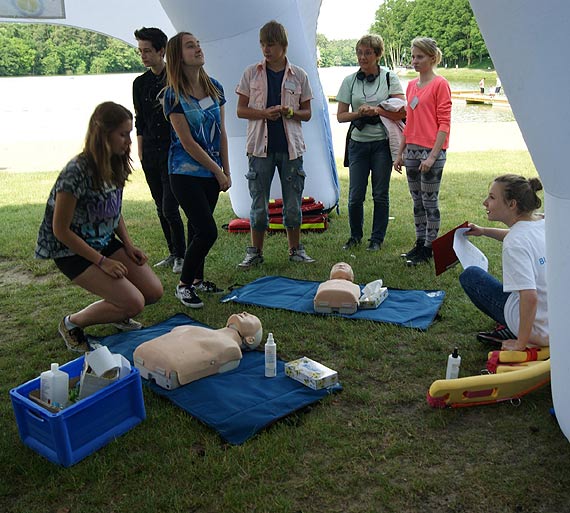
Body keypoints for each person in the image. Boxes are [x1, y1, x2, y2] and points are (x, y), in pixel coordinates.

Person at [35, 102, 164, 352]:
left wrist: (128, 245)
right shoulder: (76, 172)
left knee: (153, 291)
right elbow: (60, 230)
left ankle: (119, 312)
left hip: (103, 241)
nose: (129, 140)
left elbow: (114, 210)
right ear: (103, 134)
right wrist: (102, 262)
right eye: (123, 134)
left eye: (130, 132)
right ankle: (71, 324)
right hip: (70, 250)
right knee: (134, 302)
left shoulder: (116, 161)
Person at [236, 20, 315, 268]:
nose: (265, 49)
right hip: (259, 148)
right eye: (262, 44)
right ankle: (255, 252)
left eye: (270, 44)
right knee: (258, 204)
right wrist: (264, 113)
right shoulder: (251, 73)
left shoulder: (299, 75)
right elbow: (240, 110)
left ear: (283, 45)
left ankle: (296, 250)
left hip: (291, 149)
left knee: (293, 203)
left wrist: (289, 112)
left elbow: (307, 113)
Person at [163, 32, 230, 308]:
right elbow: (187, 143)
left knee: (196, 229)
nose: (198, 49)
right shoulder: (172, 95)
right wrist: (218, 171)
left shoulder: (214, 87)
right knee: (208, 230)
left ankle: (199, 280)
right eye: (191, 46)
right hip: (185, 173)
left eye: (199, 44)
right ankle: (184, 285)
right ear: (178, 56)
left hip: (212, 174)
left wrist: (225, 169)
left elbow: (222, 132)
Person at [459, 175, 548, 351]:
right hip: (560, 325)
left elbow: (529, 297)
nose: (485, 202)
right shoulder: (543, 222)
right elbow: (519, 236)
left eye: (492, 197)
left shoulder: (514, 243)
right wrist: (484, 231)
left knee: (471, 276)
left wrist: (520, 344)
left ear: (512, 204)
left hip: (538, 331)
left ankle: (515, 333)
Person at [336, 34, 405, 252]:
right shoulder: (349, 81)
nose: (362, 57)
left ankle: (376, 239)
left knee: (380, 194)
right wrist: (359, 113)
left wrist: (377, 110)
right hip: (358, 144)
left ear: (377, 54)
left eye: (367, 53)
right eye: (359, 52)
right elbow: (340, 116)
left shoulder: (389, 78)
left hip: (382, 144)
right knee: (355, 195)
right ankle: (355, 236)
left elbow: (402, 111)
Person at [394, 37, 452, 266]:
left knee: (430, 201)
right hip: (412, 153)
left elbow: (444, 124)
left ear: (432, 58)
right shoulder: (410, 87)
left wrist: (432, 156)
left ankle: (430, 247)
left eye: (419, 57)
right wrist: (400, 153)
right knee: (416, 202)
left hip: (431, 153)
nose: (414, 61)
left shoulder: (440, 84)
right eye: (413, 56)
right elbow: (409, 124)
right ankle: (419, 244)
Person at [133, 27, 186, 273]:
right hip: (150, 153)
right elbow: (139, 120)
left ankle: (182, 255)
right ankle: (172, 252)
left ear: (161, 51)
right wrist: (141, 152)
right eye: (140, 51)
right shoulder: (139, 83)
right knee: (158, 205)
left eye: (147, 51)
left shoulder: (175, 78)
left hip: (172, 151)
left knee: (169, 206)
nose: (143, 56)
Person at [133, 312, 263, 387]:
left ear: (250, 339)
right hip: (156, 358)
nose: (245, 313)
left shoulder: (231, 348)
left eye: (251, 318)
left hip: (164, 366)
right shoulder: (204, 331)